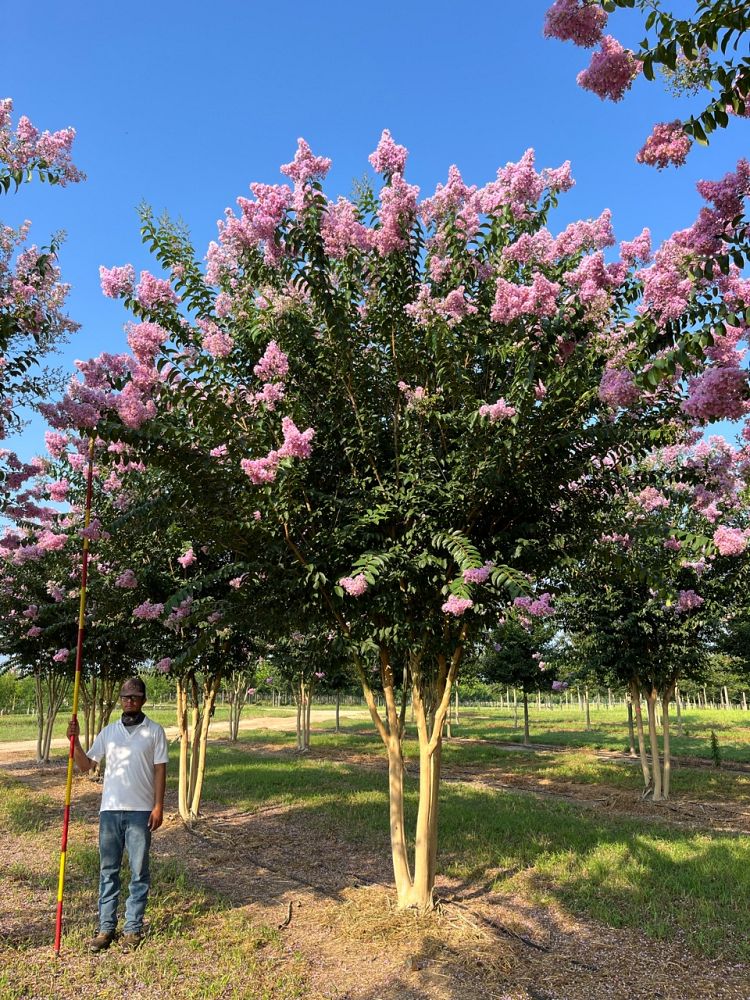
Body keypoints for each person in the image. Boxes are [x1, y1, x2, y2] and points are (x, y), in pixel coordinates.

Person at [67, 675, 168, 954]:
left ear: (143, 699)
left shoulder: (154, 731)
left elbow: (160, 770)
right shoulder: (109, 732)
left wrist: (158, 806)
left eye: (135, 696)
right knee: (108, 871)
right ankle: (105, 927)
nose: (129, 700)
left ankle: (133, 927)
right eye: (125, 696)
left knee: (138, 871)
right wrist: (74, 743)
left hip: (140, 812)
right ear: (120, 700)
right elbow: (87, 766)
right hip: (110, 811)